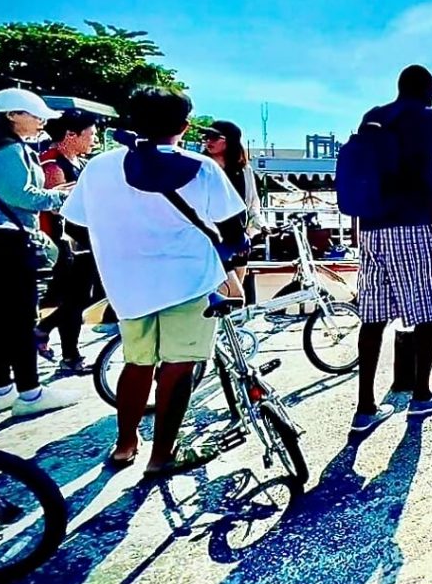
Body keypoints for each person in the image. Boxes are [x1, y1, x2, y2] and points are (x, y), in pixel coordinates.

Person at [62, 86, 246, 474]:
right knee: (179, 365)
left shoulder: (98, 168)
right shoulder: (202, 168)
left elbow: (76, 228)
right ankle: (163, 455)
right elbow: (233, 228)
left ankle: (125, 445)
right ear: (183, 126)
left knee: (136, 363)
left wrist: (121, 248)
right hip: (190, 282)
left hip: (127, 286)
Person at [351, 65, 432, 435]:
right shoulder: (426, 118)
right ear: (426, 91)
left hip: (372, 228)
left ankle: (365, 408)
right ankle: (422, 395)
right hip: (411, 225)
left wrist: (357, 228)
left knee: (373, 317)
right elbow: (428, 177)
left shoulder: (373, 116)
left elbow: (362, 174)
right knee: (426, 313)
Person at [0, 88, 78, 416]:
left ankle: (0, 389)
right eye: (35, 115)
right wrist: (60, 197)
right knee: (19, 318)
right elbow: (22, 196)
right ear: (12, 116)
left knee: (0, 319)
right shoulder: (8, 149)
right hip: (7, 241)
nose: (41, 121)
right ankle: (30, 393)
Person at [35, 109, 99, 373]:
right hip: (63, 243)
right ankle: (66, 352)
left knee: (78, 299)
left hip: (82, 241)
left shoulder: (80, 164)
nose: (94, 140)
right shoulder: (52, 164)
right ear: (71, 135)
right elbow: (55, 208)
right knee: (76, 299)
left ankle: (52, 339)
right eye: (91, 134)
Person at [201, 119, 263, 301]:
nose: (208, 141)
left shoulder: (243, 170)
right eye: (205, 136)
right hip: (212, 241)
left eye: (214, 137)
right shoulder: (202, 168)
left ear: (230, 141)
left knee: (234, 299)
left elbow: (252, 201)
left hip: (238, 240)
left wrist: (255, 227)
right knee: (234, 295)